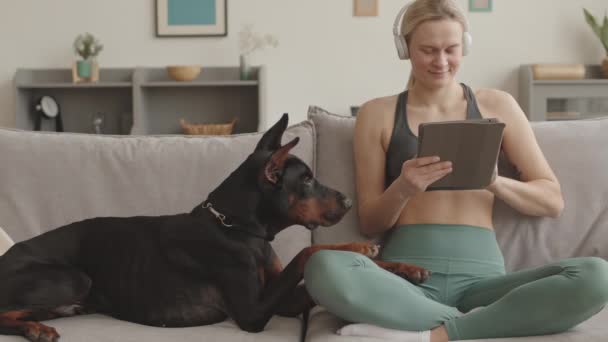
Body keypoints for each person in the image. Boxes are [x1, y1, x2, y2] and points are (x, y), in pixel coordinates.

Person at [303, 0, 608, 341]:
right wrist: (404, 186)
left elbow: (552, 200)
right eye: (428, 50)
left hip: (485, 283)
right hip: (405, 280)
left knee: (597, 276)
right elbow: (370, 222)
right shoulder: (377, 114)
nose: (442, 61)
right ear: (405, 48)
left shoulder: (497, 104)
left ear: (465, 45)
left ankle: (428, 334)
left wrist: (493, 182)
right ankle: (483, 324)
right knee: (322, 268)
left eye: (451, 49)